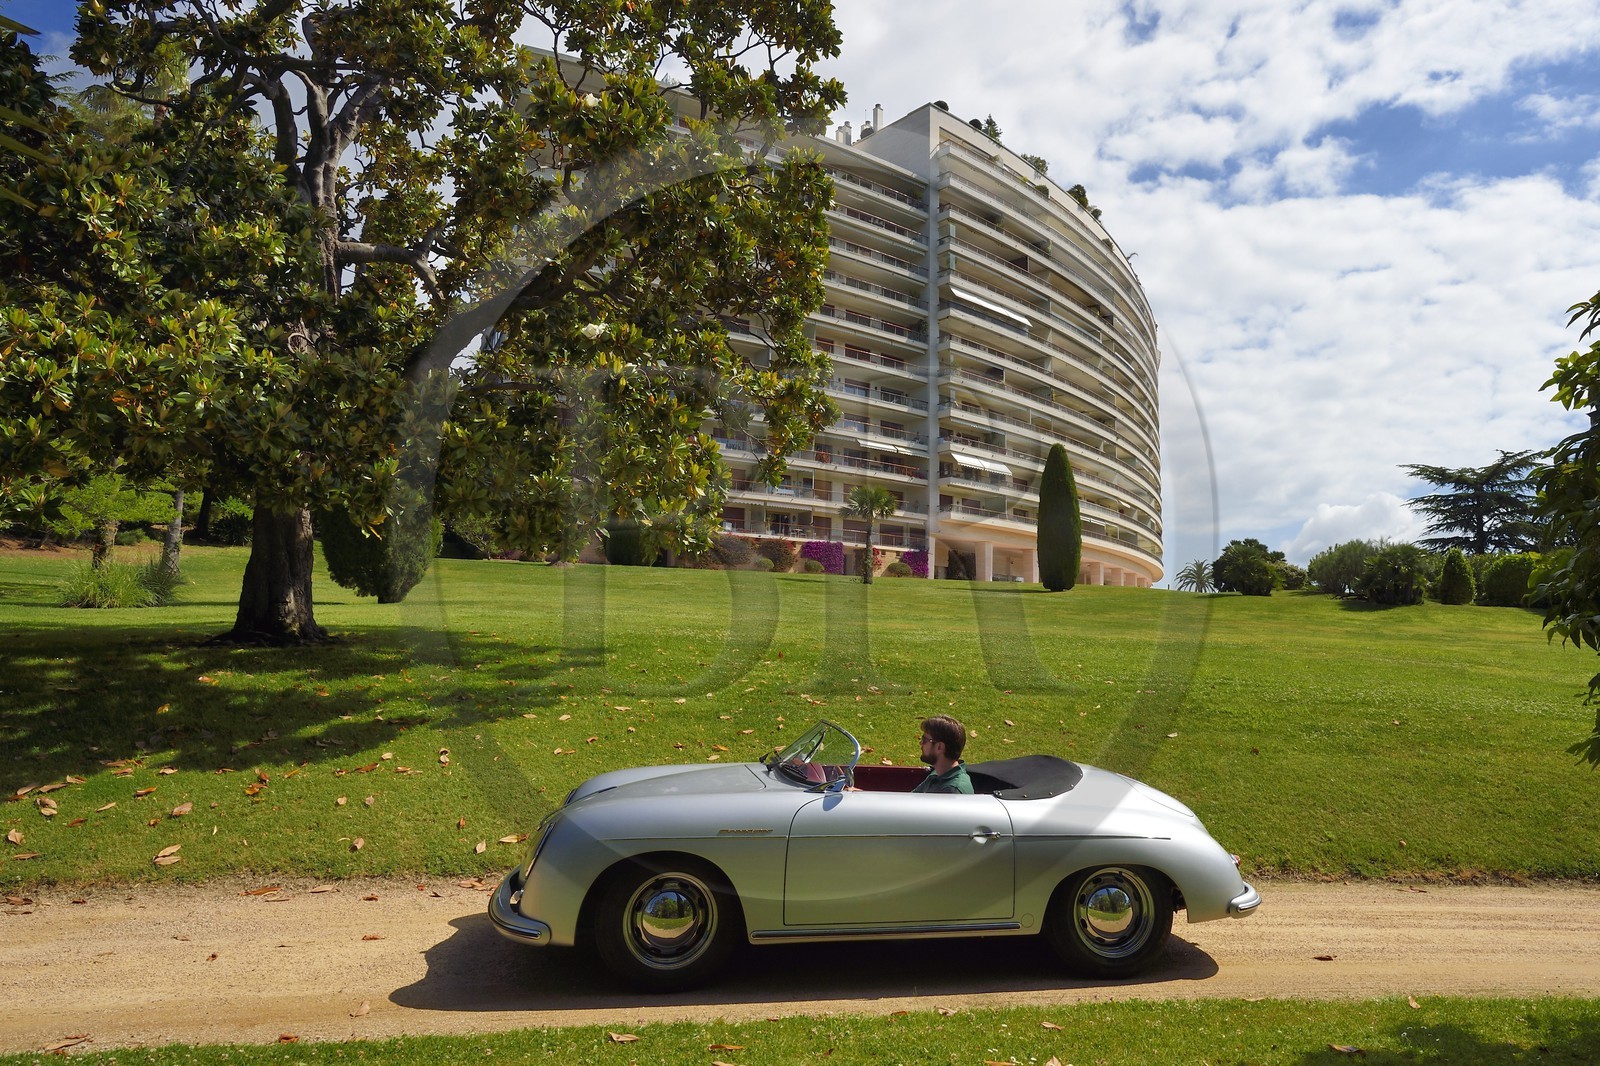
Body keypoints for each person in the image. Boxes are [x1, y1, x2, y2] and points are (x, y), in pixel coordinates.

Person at [911, 714, 973, 794]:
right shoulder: (938, 774)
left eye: (924, 740)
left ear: (939, 747)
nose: (921, 743)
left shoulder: (952, 790)